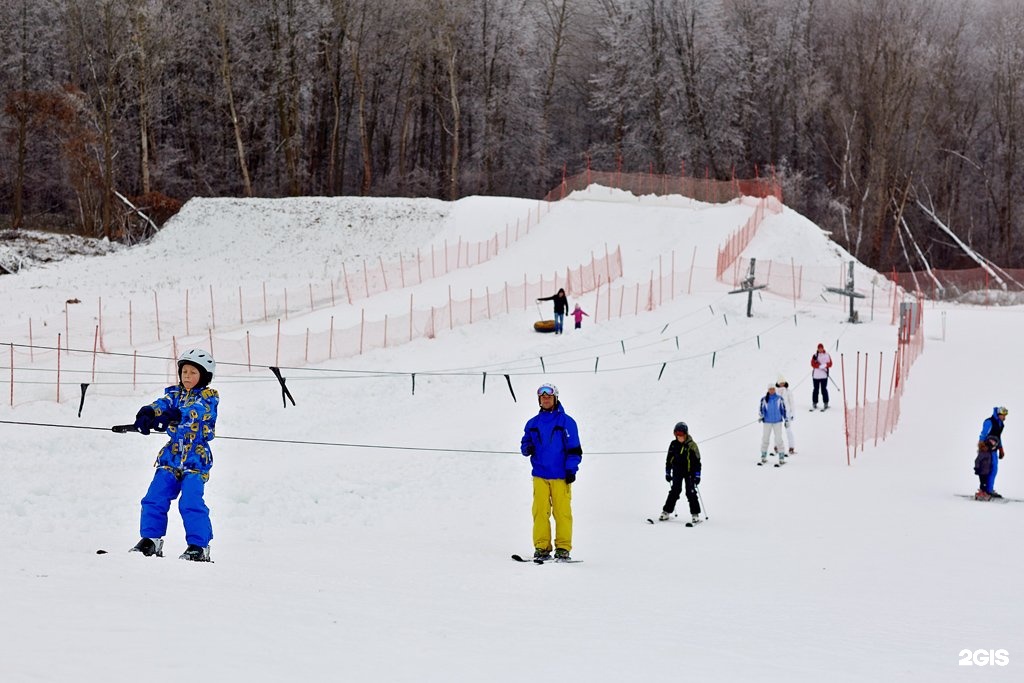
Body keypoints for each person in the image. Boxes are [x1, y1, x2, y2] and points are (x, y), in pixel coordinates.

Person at [129, 349, 219, 562]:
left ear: (204, 376)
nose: (187, 376)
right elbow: (163, 405)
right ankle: (151, 539)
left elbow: (195, 411)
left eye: (193, 372)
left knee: (190, 500)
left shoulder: (209, 397)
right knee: (154, 497)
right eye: (184, 371)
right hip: (171, 456)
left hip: (196, 459)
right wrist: (148, 413)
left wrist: (174, 415)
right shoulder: (174, 395)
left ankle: (199, 546)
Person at [520, 383, 583, 560]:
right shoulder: (532, 423)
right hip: (540, 475)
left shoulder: (566, 422)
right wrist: (527, 447)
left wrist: (572, 469)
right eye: (542, 397)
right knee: (540, 512)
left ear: (555, 398)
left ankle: (563, 548)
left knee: (562, 513)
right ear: (539, 400)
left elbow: (574, 449)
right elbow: (525, 443)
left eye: (549, 396)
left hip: (561, 475)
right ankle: (542, 547)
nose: (545, 399)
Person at [659, 421, 702, 523]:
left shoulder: (692, 446)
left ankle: (695, 514)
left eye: (681, 434)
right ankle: (666, 512)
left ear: (686, 434)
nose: (679, 436)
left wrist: (697, 475)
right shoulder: (673, 444)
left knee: (690, 492)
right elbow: (669, 460)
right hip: (677, 471)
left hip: (689, 473)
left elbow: (697, 463)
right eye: (676, 434)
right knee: (675, 490)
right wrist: (668, 472)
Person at [974, 406, 1008, 500]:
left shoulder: (1000, 424)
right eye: (1003, 415)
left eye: (1005, 415)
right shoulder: (989, 422)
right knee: (985, 468)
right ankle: (983, 490)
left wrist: (1001, 448)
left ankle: (989, 489)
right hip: (986, 450)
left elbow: (998, 437)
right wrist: (982, 446)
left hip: (994, 450)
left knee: (994, 469)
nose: (1004, 418)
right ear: (998, 414)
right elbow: (983, 434)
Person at [759, 383, 788, 465]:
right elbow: (761, 409)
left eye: (773, 389)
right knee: (765, 439)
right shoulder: (764, 399)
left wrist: (786, 419)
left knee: (779, 439)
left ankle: (781, 457)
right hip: (767, 422)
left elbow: (783, 410)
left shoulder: (779, 399)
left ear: (775, 390)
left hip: (777, 422)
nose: (771, 390)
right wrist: (761, 416)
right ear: (768, 390)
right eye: (770, 389)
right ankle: (763, 456)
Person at [775, 375, 797, 455]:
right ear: (778, 383)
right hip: (778, 414)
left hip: (787, 414)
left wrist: (792, 413)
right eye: (780, 383)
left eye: (783, 382)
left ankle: (791, 447)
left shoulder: (788, 391)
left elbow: (792, 403)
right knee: (778, 431)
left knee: (788, 430)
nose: (782, 384)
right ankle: (776, 446)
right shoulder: (775, 392)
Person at [810, 343, 833, 411]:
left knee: (824, 389)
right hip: (816, 376)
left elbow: (831, 364)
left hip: (824, 376)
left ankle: (826, 403)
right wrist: (818, 366)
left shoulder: (827, 355)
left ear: (823, 348)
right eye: (819, 348)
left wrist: (825, 365)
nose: (820, 349)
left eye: (821, 348)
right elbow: (812, 364)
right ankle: (814, 402)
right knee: (815, 390)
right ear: (817, 349)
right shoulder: (815, 356)